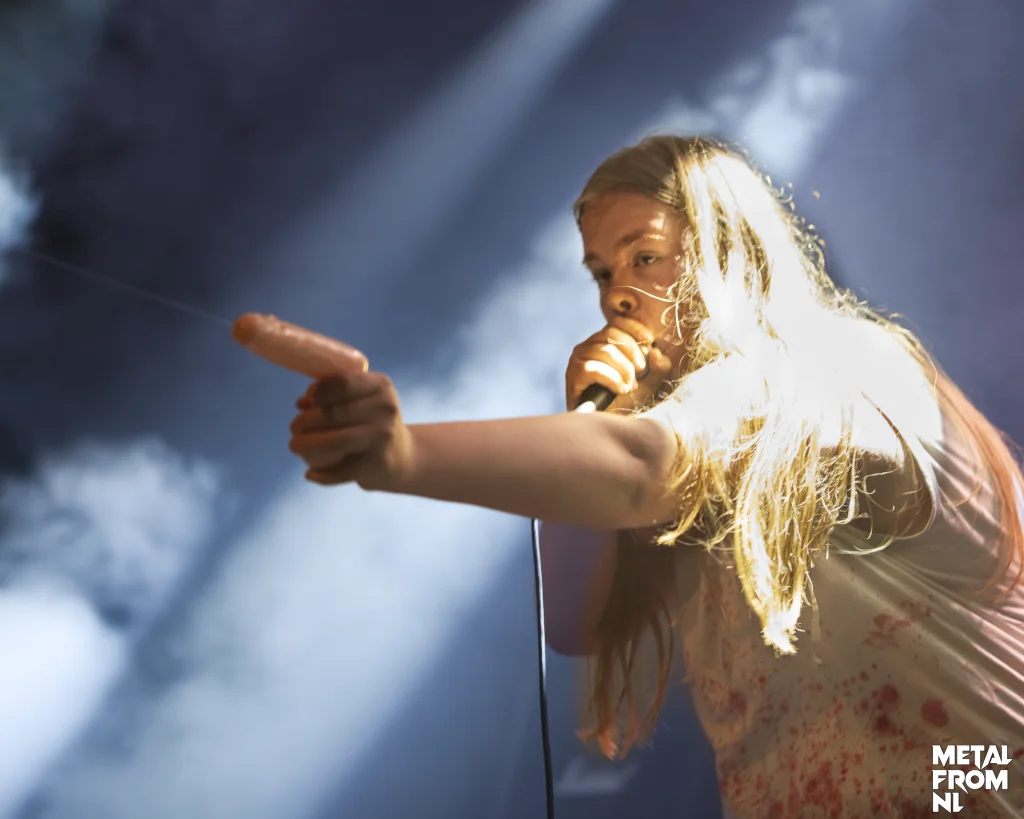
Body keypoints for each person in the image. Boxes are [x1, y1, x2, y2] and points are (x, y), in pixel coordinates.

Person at [287, 135, 1024, 817]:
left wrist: (406, 454)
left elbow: (643, 467)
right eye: (602, 273)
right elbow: (575, 623)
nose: (616, 295)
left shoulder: (841, 363)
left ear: (730, 250)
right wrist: (588, 421)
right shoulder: (705, 435)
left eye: (645, 257)